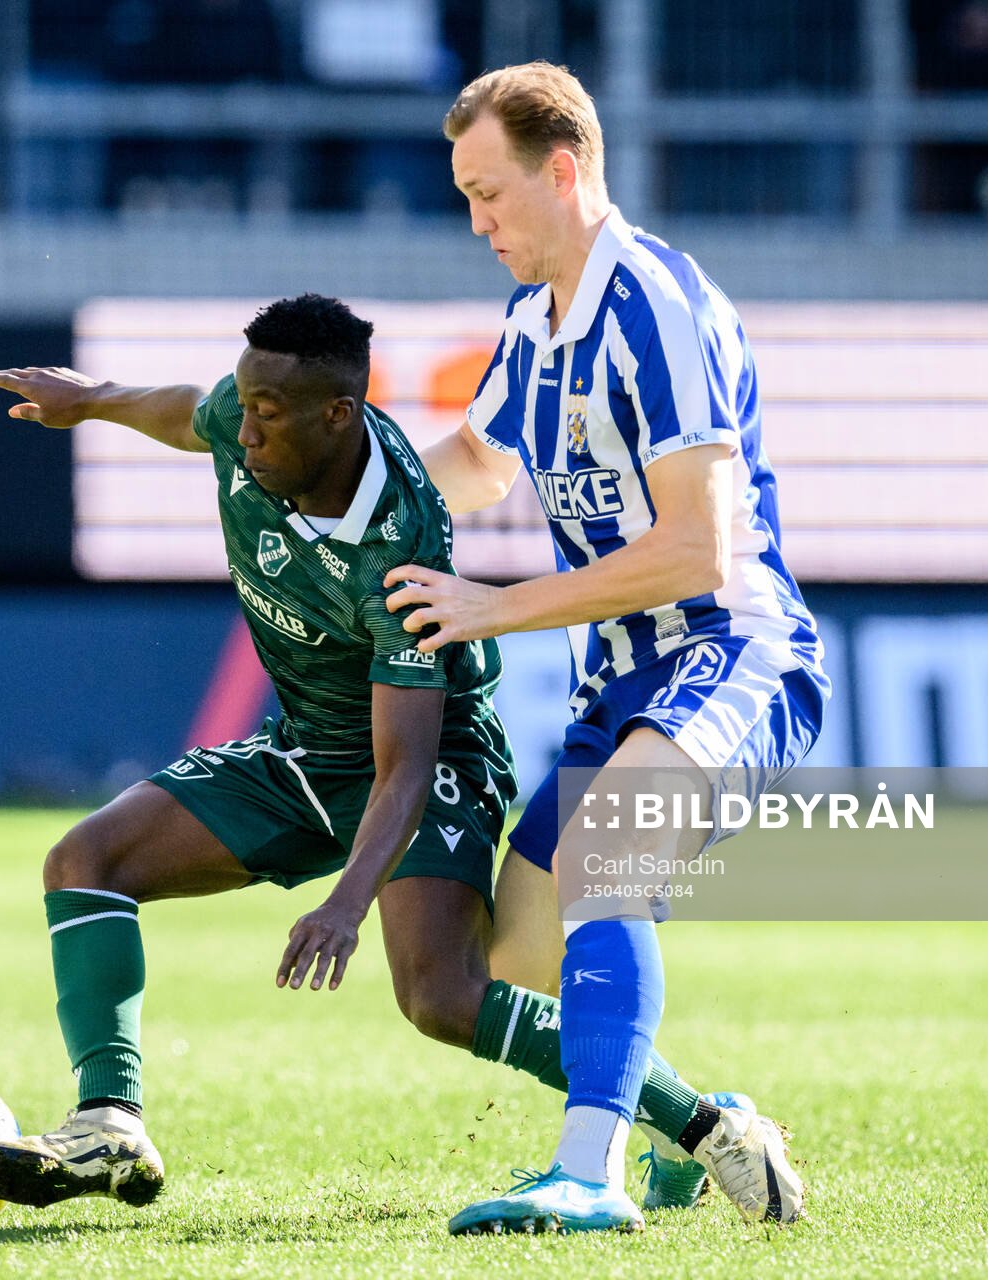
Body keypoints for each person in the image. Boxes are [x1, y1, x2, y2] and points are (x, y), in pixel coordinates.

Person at [0, 294, 728, 1216]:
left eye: (266, 415)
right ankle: (110, 1124)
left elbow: (400, 769)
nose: (242, 431)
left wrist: (345, 903)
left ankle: (704, 1125)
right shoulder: (250, 417)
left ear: (340, 414)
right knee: (84, 863)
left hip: (434, 759)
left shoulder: (399, 550)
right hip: (307, 747)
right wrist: (91, 399)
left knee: (442, 998)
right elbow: (184, 413)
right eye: (241, 405)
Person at [382, 63, 827, 1233]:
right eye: (465, 198)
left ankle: (590, 1173)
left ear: (563, 170)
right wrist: (343, 500)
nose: (475, 223)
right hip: (623, 674)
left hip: (733, 648)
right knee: (519, 958)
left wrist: (490, 604)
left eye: (488, 194)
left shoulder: (658, 307)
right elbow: (476, 464)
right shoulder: (536, 319)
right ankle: (702, 1124)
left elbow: (697, 554)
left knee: (605, 865)